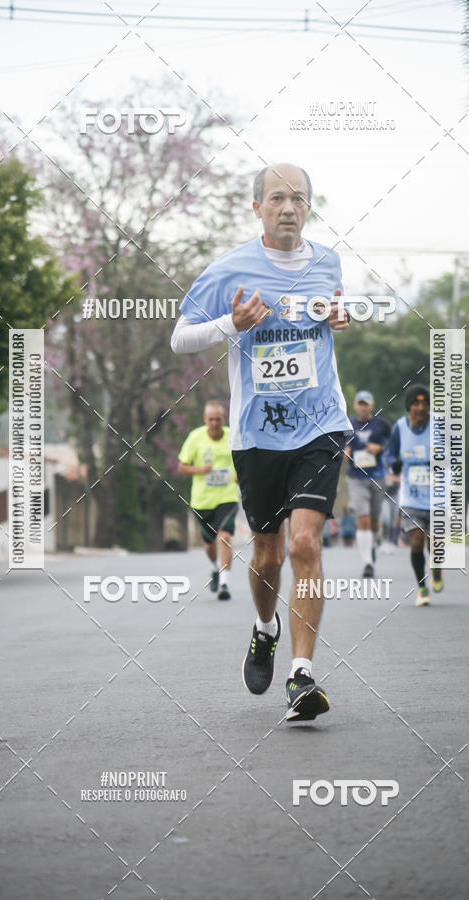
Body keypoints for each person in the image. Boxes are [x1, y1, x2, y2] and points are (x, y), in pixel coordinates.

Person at [171, 163, 351, 721]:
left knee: (304, 545)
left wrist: (341, 315)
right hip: (258, 435)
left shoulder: (328, 261)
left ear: (309, 207)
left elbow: (332, 311)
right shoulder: (229, 270)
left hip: (320, 426)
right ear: (257, 208)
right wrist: (232, 324)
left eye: (299, 198)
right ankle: (264, 627)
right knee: (268, 554)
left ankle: (301, 676)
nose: (289, 208)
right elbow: (180, 338)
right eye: (277, 198)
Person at [386, 384, 444, 606]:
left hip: (437, 495)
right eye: (416, 404)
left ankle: (437, 569)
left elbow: (454, 450)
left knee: (436, 543)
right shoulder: (400, 428)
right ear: (409, 407)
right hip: (411, 497)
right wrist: (396, 464)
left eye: (424, 403)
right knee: (417, 542)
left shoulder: (439, 425)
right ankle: (422, 588)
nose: (420, 408)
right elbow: (390, 455)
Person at [178, 401, 239, 601]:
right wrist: (200, 470)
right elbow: (182, 467)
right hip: (202, 501)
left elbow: (242, 461)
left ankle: (225, 583)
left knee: (225, 538)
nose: (214, 423)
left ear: (224, 419)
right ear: (205, 420)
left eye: (218, 419)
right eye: (211, 419)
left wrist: (241, 475)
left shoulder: (233, 437)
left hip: (227, 497)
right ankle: (215, 568)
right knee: (209, 545)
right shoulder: (196, 438)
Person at [344, 390, 391, 578]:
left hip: (377, 476)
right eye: (360, 403)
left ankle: (372, 544)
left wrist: (380, 448)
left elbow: (392, 444)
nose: (363, 407)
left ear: (371, 406)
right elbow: (342, 444)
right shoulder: (348, 424)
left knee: (373, 520)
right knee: (362, 518)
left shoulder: (381, 424)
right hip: (356, 477)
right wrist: (345, 451)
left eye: (366, 403)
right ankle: (367, 563)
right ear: (355, 405)